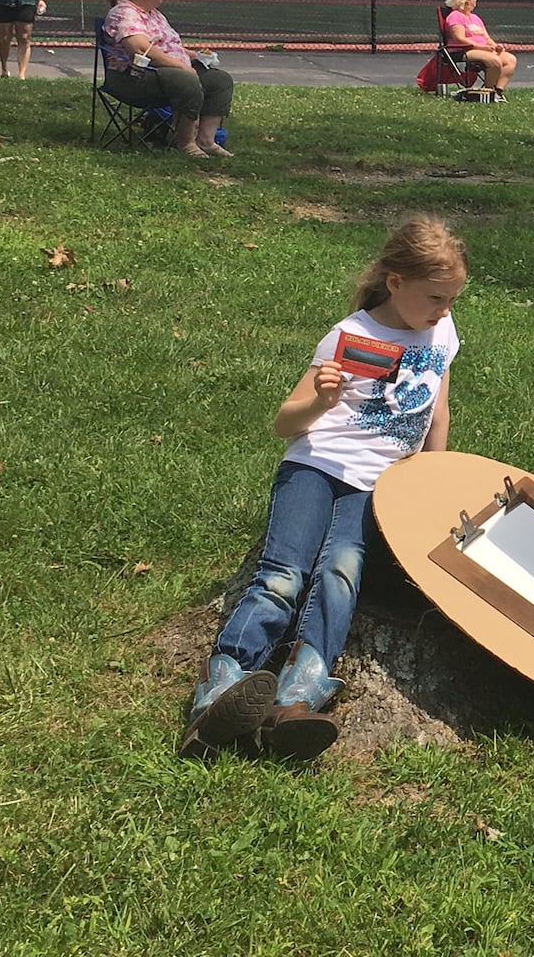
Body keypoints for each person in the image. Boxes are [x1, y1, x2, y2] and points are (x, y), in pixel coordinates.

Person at [178, 216, 468, 762]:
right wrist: (322, 402)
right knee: (283, 574)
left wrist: (435, 482)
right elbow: (285, 422)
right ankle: (222, 683)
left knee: (341, 571)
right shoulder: (350, 334)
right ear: (395, 282)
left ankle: (298, 695)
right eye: (435, 297)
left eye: (452, 299)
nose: (444, 310)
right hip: (315, 466)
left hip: (380, 482)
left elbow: (438, 413)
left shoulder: (442, 334)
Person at [102, 0, 234, 158]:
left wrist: (196, 56)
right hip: (134, 78)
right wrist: (182, 66)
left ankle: (206, 140)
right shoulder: (125, 13)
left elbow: (168, 46)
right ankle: (186, 143)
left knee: (219, 81)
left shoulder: (154, 14)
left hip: (164, 73)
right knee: (186, 81)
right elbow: (142, 49)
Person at [442, 0, 516, 102]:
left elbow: (486, 37)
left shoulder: (476, 18)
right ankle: (488, 92)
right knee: (494, 60)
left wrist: (495, 46)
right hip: (463, 50)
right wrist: (482, 47)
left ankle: (498, 92)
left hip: (483, 49)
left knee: (510, 59)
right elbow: (459, 38)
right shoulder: (455, 16)